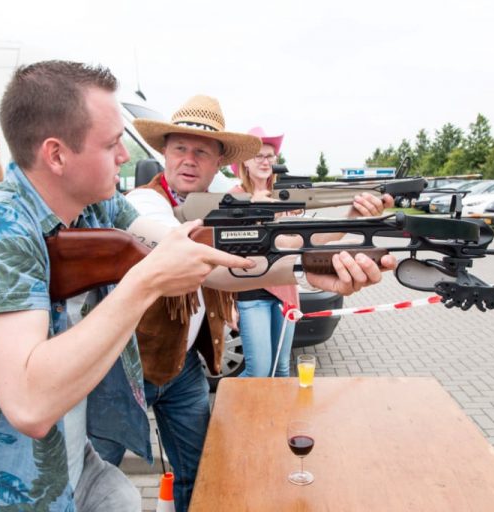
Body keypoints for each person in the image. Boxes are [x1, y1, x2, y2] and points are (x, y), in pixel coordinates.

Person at [87, 95, 397, 512]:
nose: (189, 160)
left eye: (202, 152)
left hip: (181, 368)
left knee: (199, 473)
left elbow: (277, 244)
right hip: (125, 369)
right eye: (179, 148)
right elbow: (203, 256)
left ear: (219, 165)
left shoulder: (216, 210)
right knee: (93, 475)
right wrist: (305, 265)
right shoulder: (145, 204)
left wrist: (352, 221)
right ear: (164, 154)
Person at [228, 127, 298, 377]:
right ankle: (236, 411)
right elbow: (227, 250)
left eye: (270, 156)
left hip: (284, 288)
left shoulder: (284, 197)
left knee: (281, 368)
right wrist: (228, 302)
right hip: (251, 290)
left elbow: (296, 242)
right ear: (244, 162)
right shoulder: (233, 198)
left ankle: (280, 417)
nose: (265, 161)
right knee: (258, 371)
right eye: (258, 155)